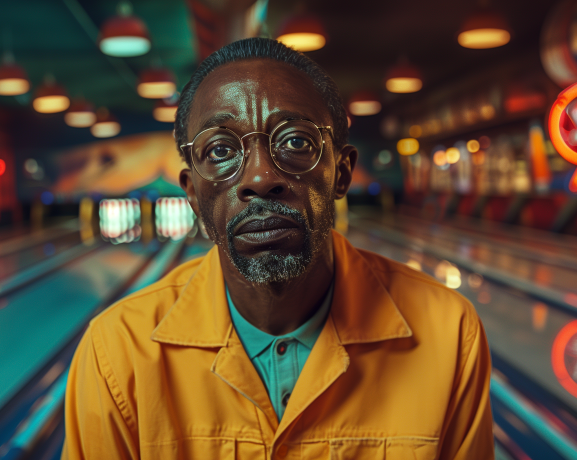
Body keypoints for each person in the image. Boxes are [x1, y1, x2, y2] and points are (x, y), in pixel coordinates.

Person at [62, 37, 494, 460]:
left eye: (296, 142)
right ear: (193, 195)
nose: (260, 176)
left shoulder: (449, 333)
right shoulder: (117, 352)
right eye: (219, 149)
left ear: (341, 173)